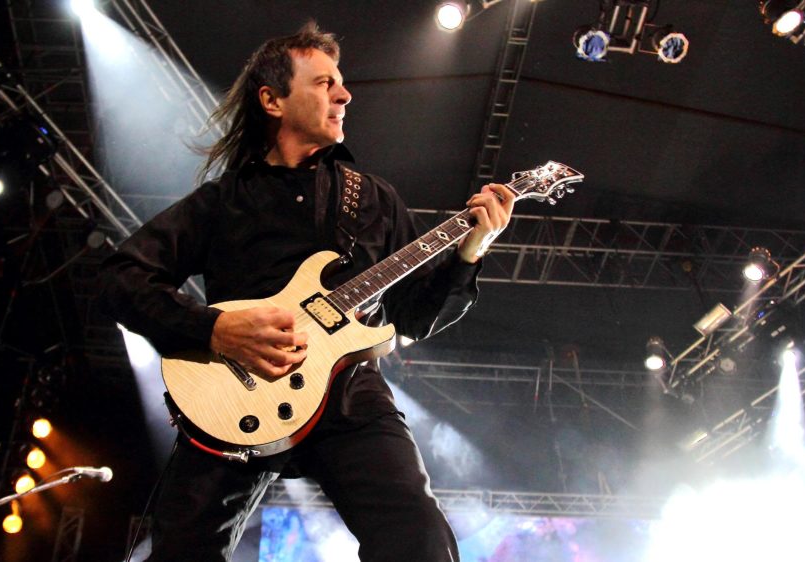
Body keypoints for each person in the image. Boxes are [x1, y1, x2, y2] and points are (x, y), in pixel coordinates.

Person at [100, 22, 515, 561]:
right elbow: (122, 277)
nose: (345, 94)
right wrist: (215, 328)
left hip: (349, 396)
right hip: (233, 396)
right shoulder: (224, 201)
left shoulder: (374, 200)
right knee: (181, 552)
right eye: (324, 83)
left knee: (419, 540)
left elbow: (414, 317)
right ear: (272, 100)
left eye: (340, 82)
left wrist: (472, 249)